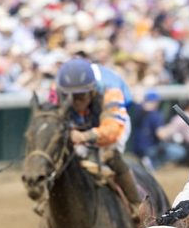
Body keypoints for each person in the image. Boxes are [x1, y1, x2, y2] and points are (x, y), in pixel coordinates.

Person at [55, 57, 142, 217]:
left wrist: (84, 136)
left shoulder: (110, 89)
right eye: (70, 96)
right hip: (80, 120)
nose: (75, 101)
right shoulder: (56, 90)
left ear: (92, 90)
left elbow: (112, 130)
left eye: (81, 96)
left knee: (108, 154)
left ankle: (137, 205)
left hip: (113, 119)